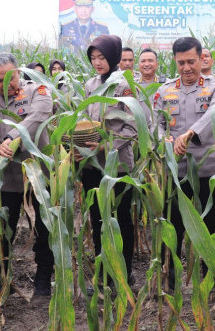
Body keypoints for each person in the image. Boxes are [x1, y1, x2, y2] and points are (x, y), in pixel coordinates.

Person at [153, 37, 215, 289]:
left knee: (209, 226)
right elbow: (156, 124)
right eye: (181, 63)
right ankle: (172, 280)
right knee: (173, 227)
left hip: (209, 170)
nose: (187, 68)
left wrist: (189, 134)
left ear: (202, 59)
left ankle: (212, 279)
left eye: (192, 62)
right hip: (177, 173)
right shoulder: (165, 91)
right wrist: (163, 139)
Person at [0, 53, 54, 296]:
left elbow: (38, 116)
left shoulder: (37, 91)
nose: (5, 84)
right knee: (2, 231)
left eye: (11, 77)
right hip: (3, 179)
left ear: (18, 72)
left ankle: (42, 282)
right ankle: (3, 281)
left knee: (43, 231)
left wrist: (12, 138)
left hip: (35, 178)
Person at [79, 35, 137, 289]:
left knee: (121, 218)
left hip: (118, 163)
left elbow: (134, 126)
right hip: (92, 164)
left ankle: (124, 271)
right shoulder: (90, 84)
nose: (97, 62)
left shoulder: (125, 85)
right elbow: (84, 118)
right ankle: (103, 273)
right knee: (98, 218)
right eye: (93, 58)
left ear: (113, 57)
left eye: (101, 57)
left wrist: (106, 146)